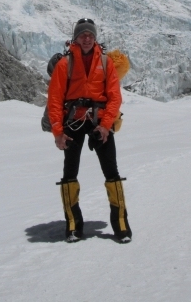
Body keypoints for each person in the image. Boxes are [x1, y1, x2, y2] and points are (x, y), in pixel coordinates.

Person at [47, 18, 132, 243]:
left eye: (90, 35)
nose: (86, 38)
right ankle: (73, 226)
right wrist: (57, 132)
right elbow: (55, 99)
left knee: (111, 171)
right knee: (69, 173)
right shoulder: (64, 65)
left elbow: (114, 97)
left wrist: (105, 126)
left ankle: (121, 224)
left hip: (99, 122)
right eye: (82, 34)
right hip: (73, 121)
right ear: (75, 38)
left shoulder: (105, 63)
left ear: (95, 38)